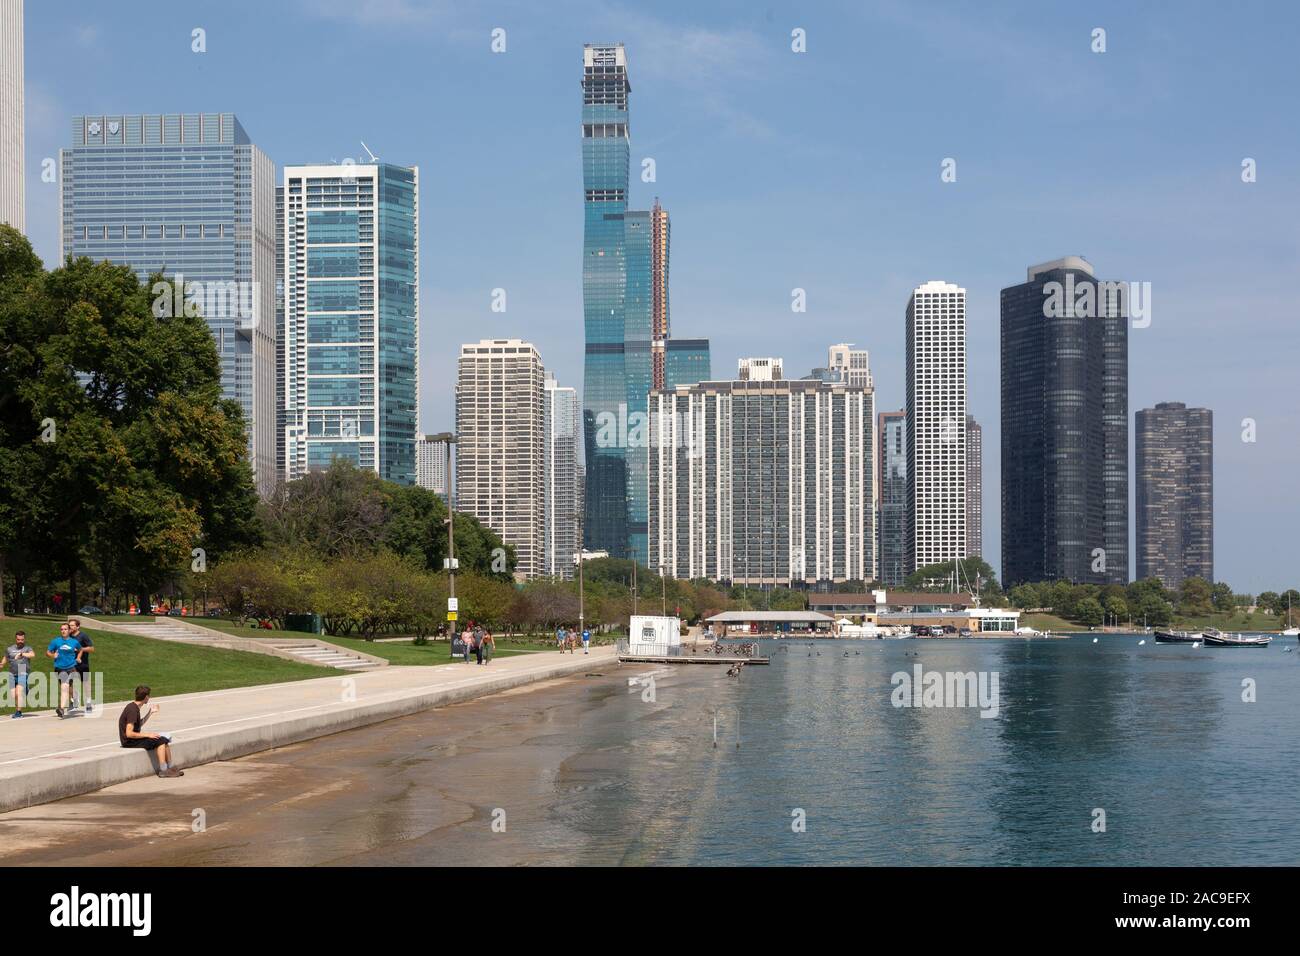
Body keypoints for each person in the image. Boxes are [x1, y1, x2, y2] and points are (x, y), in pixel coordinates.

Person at [118, 685, 182, 777]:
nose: (149, 697)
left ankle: (170, 767)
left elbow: (138, 725)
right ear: (146, 697)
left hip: (133, 739)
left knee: (164, 739)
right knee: (160, 740)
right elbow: (129, 733)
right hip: (129, 741)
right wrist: (148, 735)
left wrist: (150, 713)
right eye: (149, 696)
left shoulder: (134, 707)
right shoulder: (132, 710)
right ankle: (163, 770)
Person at [46, 623, 82, 718]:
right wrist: (53, 655)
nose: (63, 631)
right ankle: (73, 697)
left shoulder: (74, 642)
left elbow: (81, 650)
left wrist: (78, 657)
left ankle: (61, 708)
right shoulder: (55, 641)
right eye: (62, 629)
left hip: (71, 667)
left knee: (64, 687)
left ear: (69, 631)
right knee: (65, 687)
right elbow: (48, 652)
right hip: (59, 668)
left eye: (65, 629)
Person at [6, 631, 35, 718]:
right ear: (16, 639)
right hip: (12, 673)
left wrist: (22, 654)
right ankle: (26, 689)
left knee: (18, 693)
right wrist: (2, 664)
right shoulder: (10, 649)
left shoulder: (27, 648)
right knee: (13, 695)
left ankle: (18, 712)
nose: (20, 641)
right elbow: (6, 657)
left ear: (24, 639)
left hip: (22, 671)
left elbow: (32, 654)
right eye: (18, 639)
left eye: (22, 639)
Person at [67, 618, 94, 712]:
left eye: (72, 625)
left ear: (78, 626)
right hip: (71, 664)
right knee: (71, 683)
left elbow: (92, 649)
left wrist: (80, 649)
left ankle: (88, 703)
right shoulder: (68, 636)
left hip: (83, 664)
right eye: (69, 625)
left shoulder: (83, 636)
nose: (70, 627)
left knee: (85, 684)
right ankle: (74, 702)